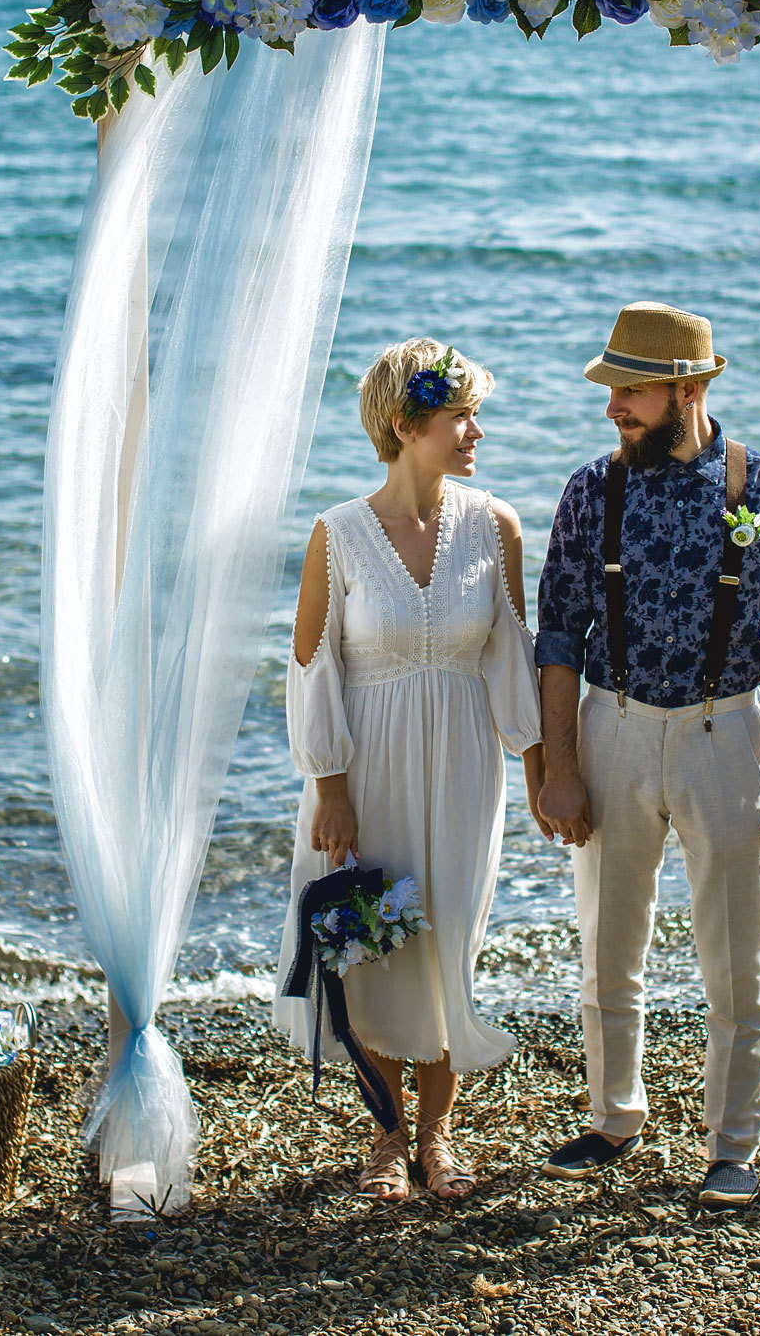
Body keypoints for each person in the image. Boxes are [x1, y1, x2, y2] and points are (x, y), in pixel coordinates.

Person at [530, 301, 760, 1209]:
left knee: (737, 949)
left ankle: (732, 1143)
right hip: (611, 725)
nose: (613, 406)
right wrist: (558, 764)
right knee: (607, 942)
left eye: (631, 391)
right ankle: (615, 1116)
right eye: (614, 389)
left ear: (689, 390)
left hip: (724, 732)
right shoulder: (591, 489)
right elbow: (557, 636)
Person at [272, 338, 546, 1201]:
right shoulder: (338, 535)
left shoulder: (495, 525)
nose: (476, 431)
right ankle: (389, 1134)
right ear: (404, 423)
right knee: (374, 943)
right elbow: (311, 664)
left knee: (447, 943)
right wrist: (331, 785)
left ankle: (438, 1135)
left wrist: (542, 776)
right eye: (460, 414)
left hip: (465, 766)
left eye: (475, 413)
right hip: (371, 768)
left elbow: (514, 662)